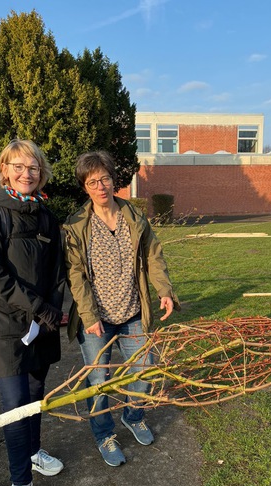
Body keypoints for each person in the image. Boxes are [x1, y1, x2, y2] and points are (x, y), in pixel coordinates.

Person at [63, 150, 179, 467]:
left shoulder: (134, 217)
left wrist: (164, 290)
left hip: (132, 313)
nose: (100, 186)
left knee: (144, 369)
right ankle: (104, 435)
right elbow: (75, 274)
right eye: (92, 182)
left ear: (114, 180)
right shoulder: (76, 225)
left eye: (104, 178)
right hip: (96, 321)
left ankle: (133, 415)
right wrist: (89, 316)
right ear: (84, 187)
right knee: (99, 381)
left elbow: (153, 255)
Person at [0, 139, 65, 486]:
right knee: (14, 405)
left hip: (43, 325)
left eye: (33, 167)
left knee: (35, 395)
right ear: (5, 170)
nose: (26, 173)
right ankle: (20, 483)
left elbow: (57, 269)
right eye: (18, 166)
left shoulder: (46, 216)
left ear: (41, 173)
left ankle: (34, 451)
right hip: (8, 327)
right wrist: (39, 307)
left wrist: (54, 308)